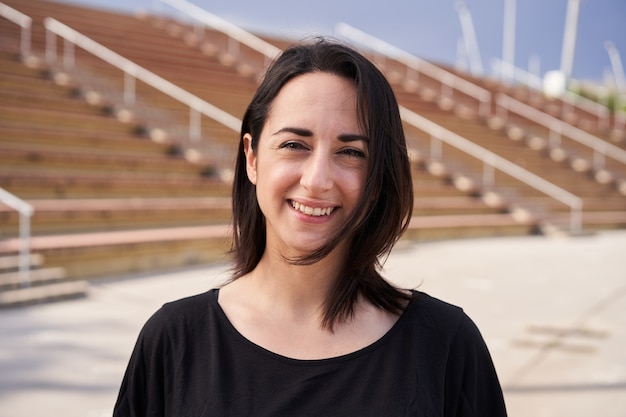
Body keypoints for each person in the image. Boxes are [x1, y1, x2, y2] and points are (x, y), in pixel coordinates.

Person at [113, 38, 507, 417]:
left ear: (378, 179)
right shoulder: (174, 340)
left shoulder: (446, 345)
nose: (317, 180)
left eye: (351, 152)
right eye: (294, 145)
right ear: (251, 158)